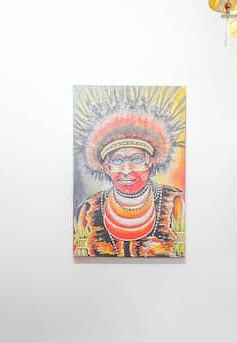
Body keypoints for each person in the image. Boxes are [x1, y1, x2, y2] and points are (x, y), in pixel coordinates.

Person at [73, 87, 186, 258]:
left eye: (136, 159)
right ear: (106, 167)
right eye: (117, 161)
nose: (126, 170)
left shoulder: (176, 204)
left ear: (150, 161)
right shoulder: (87, 211)